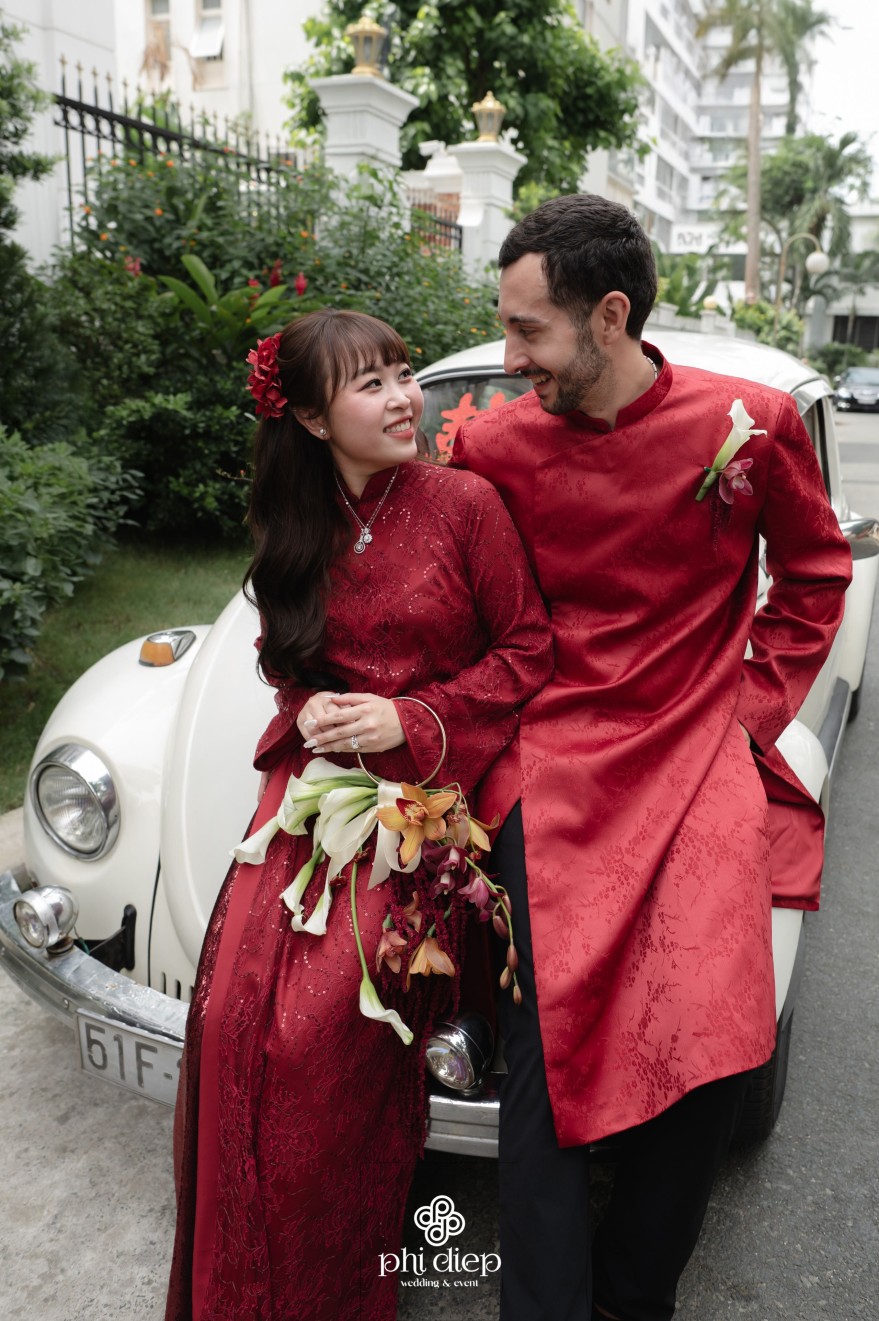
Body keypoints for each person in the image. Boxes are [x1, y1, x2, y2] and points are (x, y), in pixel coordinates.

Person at [451, 194, 853, 1321]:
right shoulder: (489, 445)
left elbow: (816, 574)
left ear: (611, 315)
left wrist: (745, 713)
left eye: (527, 328)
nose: (509, 355)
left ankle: (635, 1299)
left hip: (699, 758)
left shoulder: (749, 424)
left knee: (712, 1047)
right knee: (546, 1053)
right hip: (552, 771)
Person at [164, 308, 553, 1321]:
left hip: (433, 803)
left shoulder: (466, 504)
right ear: (308, 417)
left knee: (317, 1029)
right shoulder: (296, 523)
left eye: (403, 372)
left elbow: (527, 650)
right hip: (318, 790)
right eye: (370, 384)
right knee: (229, 1016)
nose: (402, 398)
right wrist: (309, 707)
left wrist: (410, 718)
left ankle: (332, 1288)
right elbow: (285, 662)